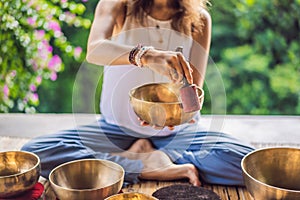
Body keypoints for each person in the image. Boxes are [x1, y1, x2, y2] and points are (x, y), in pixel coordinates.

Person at [22, 0, 254, 186]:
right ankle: (141, 164)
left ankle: (156, 158)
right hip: (116, 130)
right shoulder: (118, 5)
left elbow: (194, 92)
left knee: (251, 165)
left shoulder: (199, 19)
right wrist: (147, 55)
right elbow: (94, 50)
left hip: (179, 136)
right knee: (35, 153)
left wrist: (179, 112)